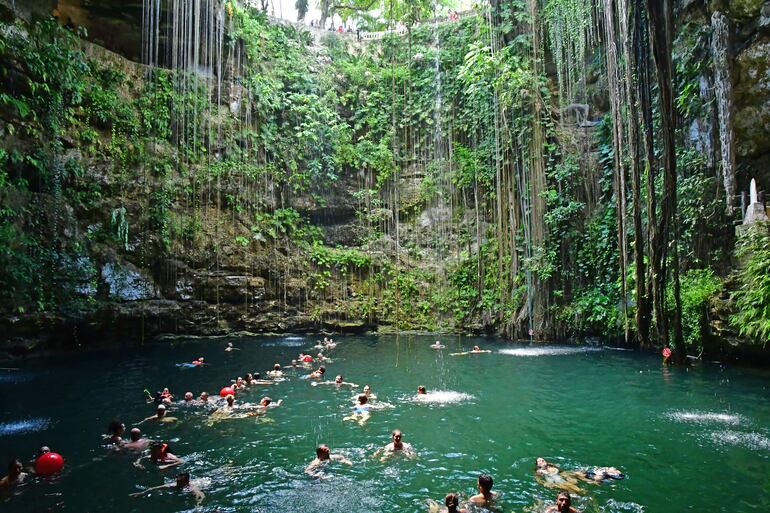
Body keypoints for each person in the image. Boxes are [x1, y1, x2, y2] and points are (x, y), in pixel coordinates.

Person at [129, 472, 205, 505]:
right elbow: (153, 488)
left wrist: (198, 504)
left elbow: (201, 495)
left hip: (204, 482)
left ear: (187, 482)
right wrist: (141, 493)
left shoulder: (191, 487)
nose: (178, 483)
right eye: (177, 481)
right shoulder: (173, 485)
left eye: (181, 482)